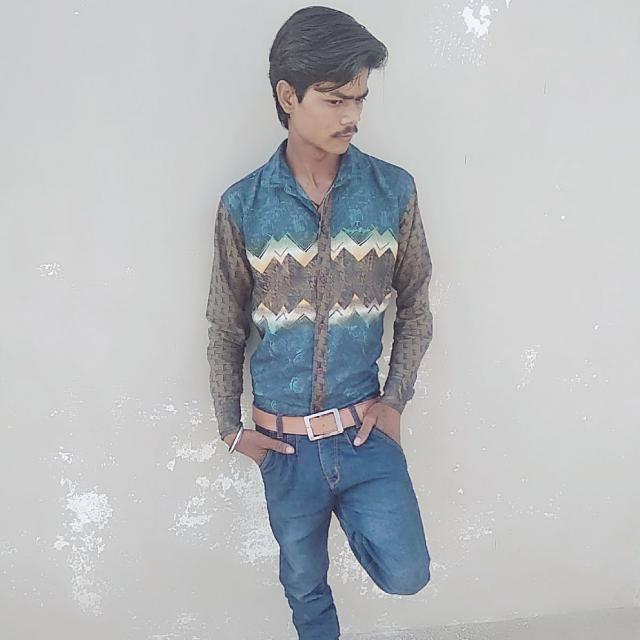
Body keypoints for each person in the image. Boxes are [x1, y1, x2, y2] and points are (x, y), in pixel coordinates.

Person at [205, 6, 434, 639]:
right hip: (283, 447)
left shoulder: (393, 191)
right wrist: (230, 429)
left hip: (364, 434)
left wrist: (395, 398)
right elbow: (225, 326)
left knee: (408, 572)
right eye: (335, 100)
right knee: (305, 586)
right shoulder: (243, 205)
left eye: (359, 99)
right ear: (288, 96)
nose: (352, 115)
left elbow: (416, 303)